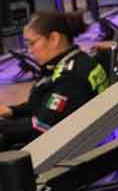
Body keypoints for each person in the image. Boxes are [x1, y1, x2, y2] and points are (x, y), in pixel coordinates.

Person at [0, 12, 109, 149]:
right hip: (79, 139)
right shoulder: (71, 61)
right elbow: (39, 105)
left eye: (32, 43)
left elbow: (41, 128)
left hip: (71, 151)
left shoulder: (70, 77)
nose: (29, 51)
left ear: (54, 38)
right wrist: (11, 111)